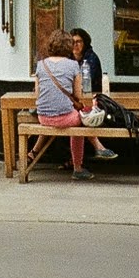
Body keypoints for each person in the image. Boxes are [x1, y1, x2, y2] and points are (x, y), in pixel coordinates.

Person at [35, 28, 91, 180]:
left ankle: (33, 152)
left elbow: (37, 94)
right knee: (80, 122)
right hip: (66, 118)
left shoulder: (41, 65)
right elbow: (78, 96)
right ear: (68, 46)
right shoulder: (73, 66)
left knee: (76, 119)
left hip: (43, 118)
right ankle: (78, 167)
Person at [70, 28, 117, 161]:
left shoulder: (91, 58)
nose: (75, 45)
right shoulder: (68, 58)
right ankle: (97, 149)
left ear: (85, 43)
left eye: (79, 41)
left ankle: (78, 159)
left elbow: (86, 82)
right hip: (76, 102)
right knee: (79, 115)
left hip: (93, 100)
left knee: (81, 115)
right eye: (72, 42)